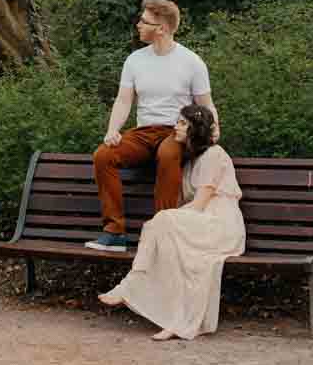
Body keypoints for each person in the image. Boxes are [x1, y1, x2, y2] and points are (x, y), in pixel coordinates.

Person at [97, 104, 245, 340]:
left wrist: (167, 221)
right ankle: (171, 319)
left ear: (196, 129)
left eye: (183, 123)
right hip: (201, 222)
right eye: (178, 122)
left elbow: (200, 204)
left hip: (219, 222)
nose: (175, 127)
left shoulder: (214, 155)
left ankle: (131, 287)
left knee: (161, 222)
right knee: (165, 237)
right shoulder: (188, 161)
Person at [85, 0, 219, 252]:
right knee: (104, 155)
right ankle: (114, 233)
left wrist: (214, 130)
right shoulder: (135, 60)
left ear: (162, 28)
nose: (138, 25)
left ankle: (162, 232)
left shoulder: (191, 62)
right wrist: (112, 130)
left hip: (176, 131)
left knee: (168, 153)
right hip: (144, 132)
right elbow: (124, 100)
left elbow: (206, 104)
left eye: (144, 21)